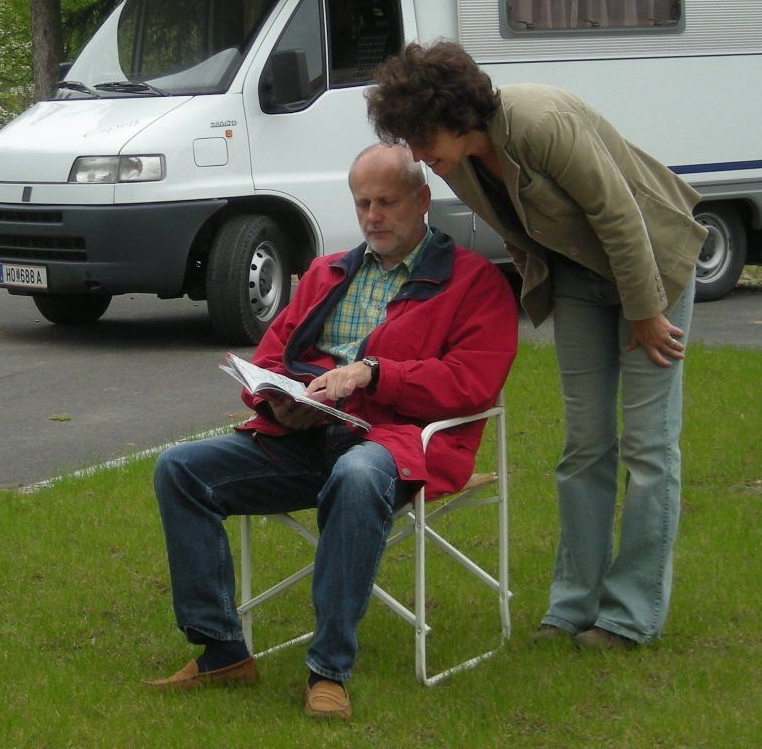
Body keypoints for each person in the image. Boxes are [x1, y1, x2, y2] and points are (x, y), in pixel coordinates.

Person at [146, 143, 517, 718]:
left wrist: (375, 373)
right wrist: (276, 404)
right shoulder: (327, 272)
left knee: (358, 473)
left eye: (387, 202)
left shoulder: (473, 283)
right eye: (362, 203)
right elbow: (271, 358)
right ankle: (221, 650)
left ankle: (329, 670)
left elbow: (471, 382)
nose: (372, 215)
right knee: (180, 468)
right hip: (303, 437)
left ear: (423, 200)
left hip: (396, 445)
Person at [366, 41, 706, 651]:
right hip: (577, 278)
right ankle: (573, 608)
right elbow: (517, 231)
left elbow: (619, 215)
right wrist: (535, 282)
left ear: (454, 114)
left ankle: (630, 617)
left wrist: (647, 313)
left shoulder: (539, 122)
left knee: (648, 446)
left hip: (654, 267)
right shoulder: (457, 163)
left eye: (421, 137)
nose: (416, 154)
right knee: (584, 444)